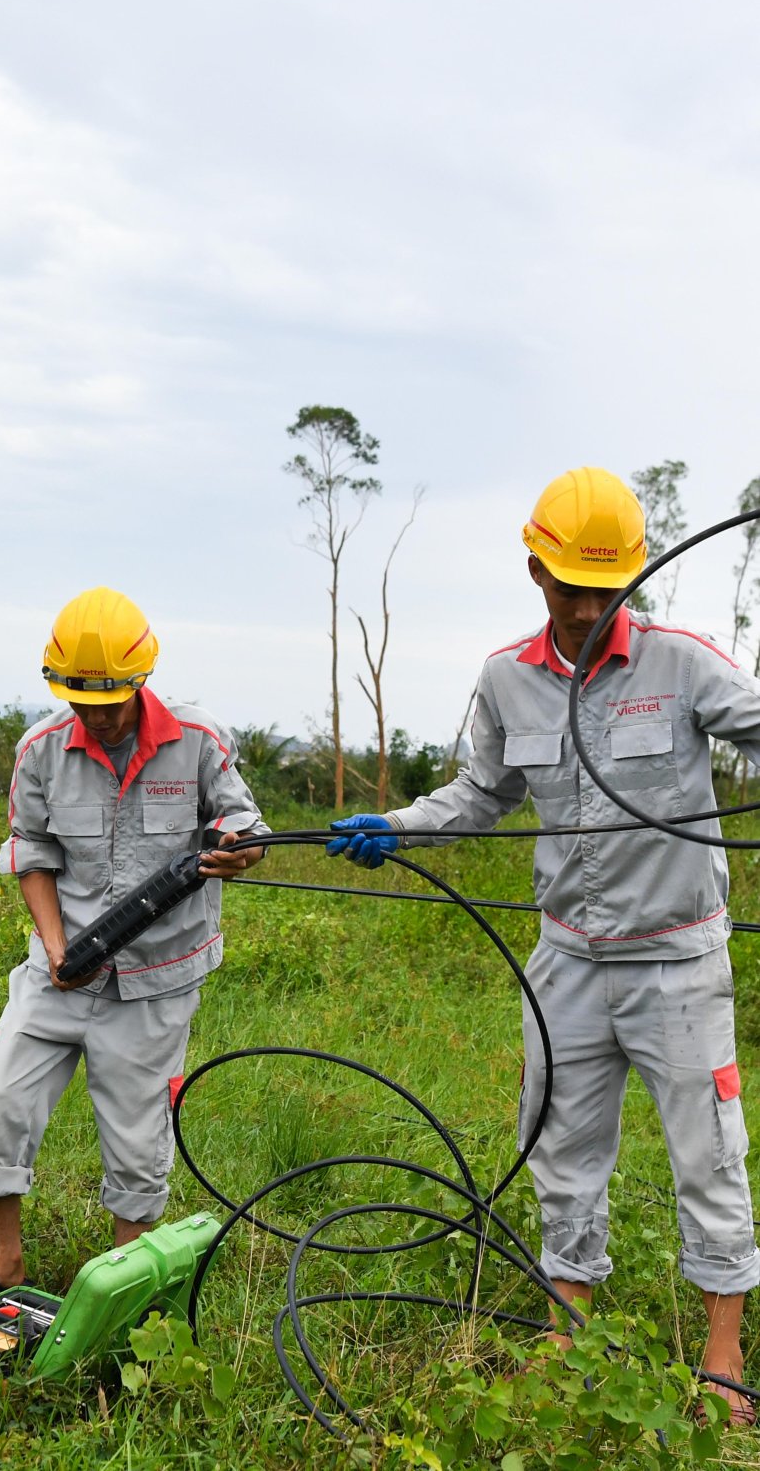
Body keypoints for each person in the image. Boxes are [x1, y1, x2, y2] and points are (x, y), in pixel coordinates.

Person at [328, 467, 760, 1418]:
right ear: (536, 572)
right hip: (566, 962)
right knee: (561, 1151)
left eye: (608, 592)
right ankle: (569, 1339)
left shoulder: (684, 664)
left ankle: (723, 1361)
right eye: (572, 590)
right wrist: (396, 828)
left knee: (709, 1156)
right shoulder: (506, 679)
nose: (589, 610)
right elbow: (481, 794)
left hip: (678, 960)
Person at [0, 586, 268, 1307]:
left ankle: (122, 1283)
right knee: (2, 1098)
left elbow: (245, 824)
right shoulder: (42, 749)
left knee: (135, 1128)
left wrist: (237, 850)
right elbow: (31, 850)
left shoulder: (200, 740)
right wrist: (57, 949)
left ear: (142, 680)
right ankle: (6, 1260)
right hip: (59, 969)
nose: (96, 715)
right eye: (80, 700)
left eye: (111, 701)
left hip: (157, 978)